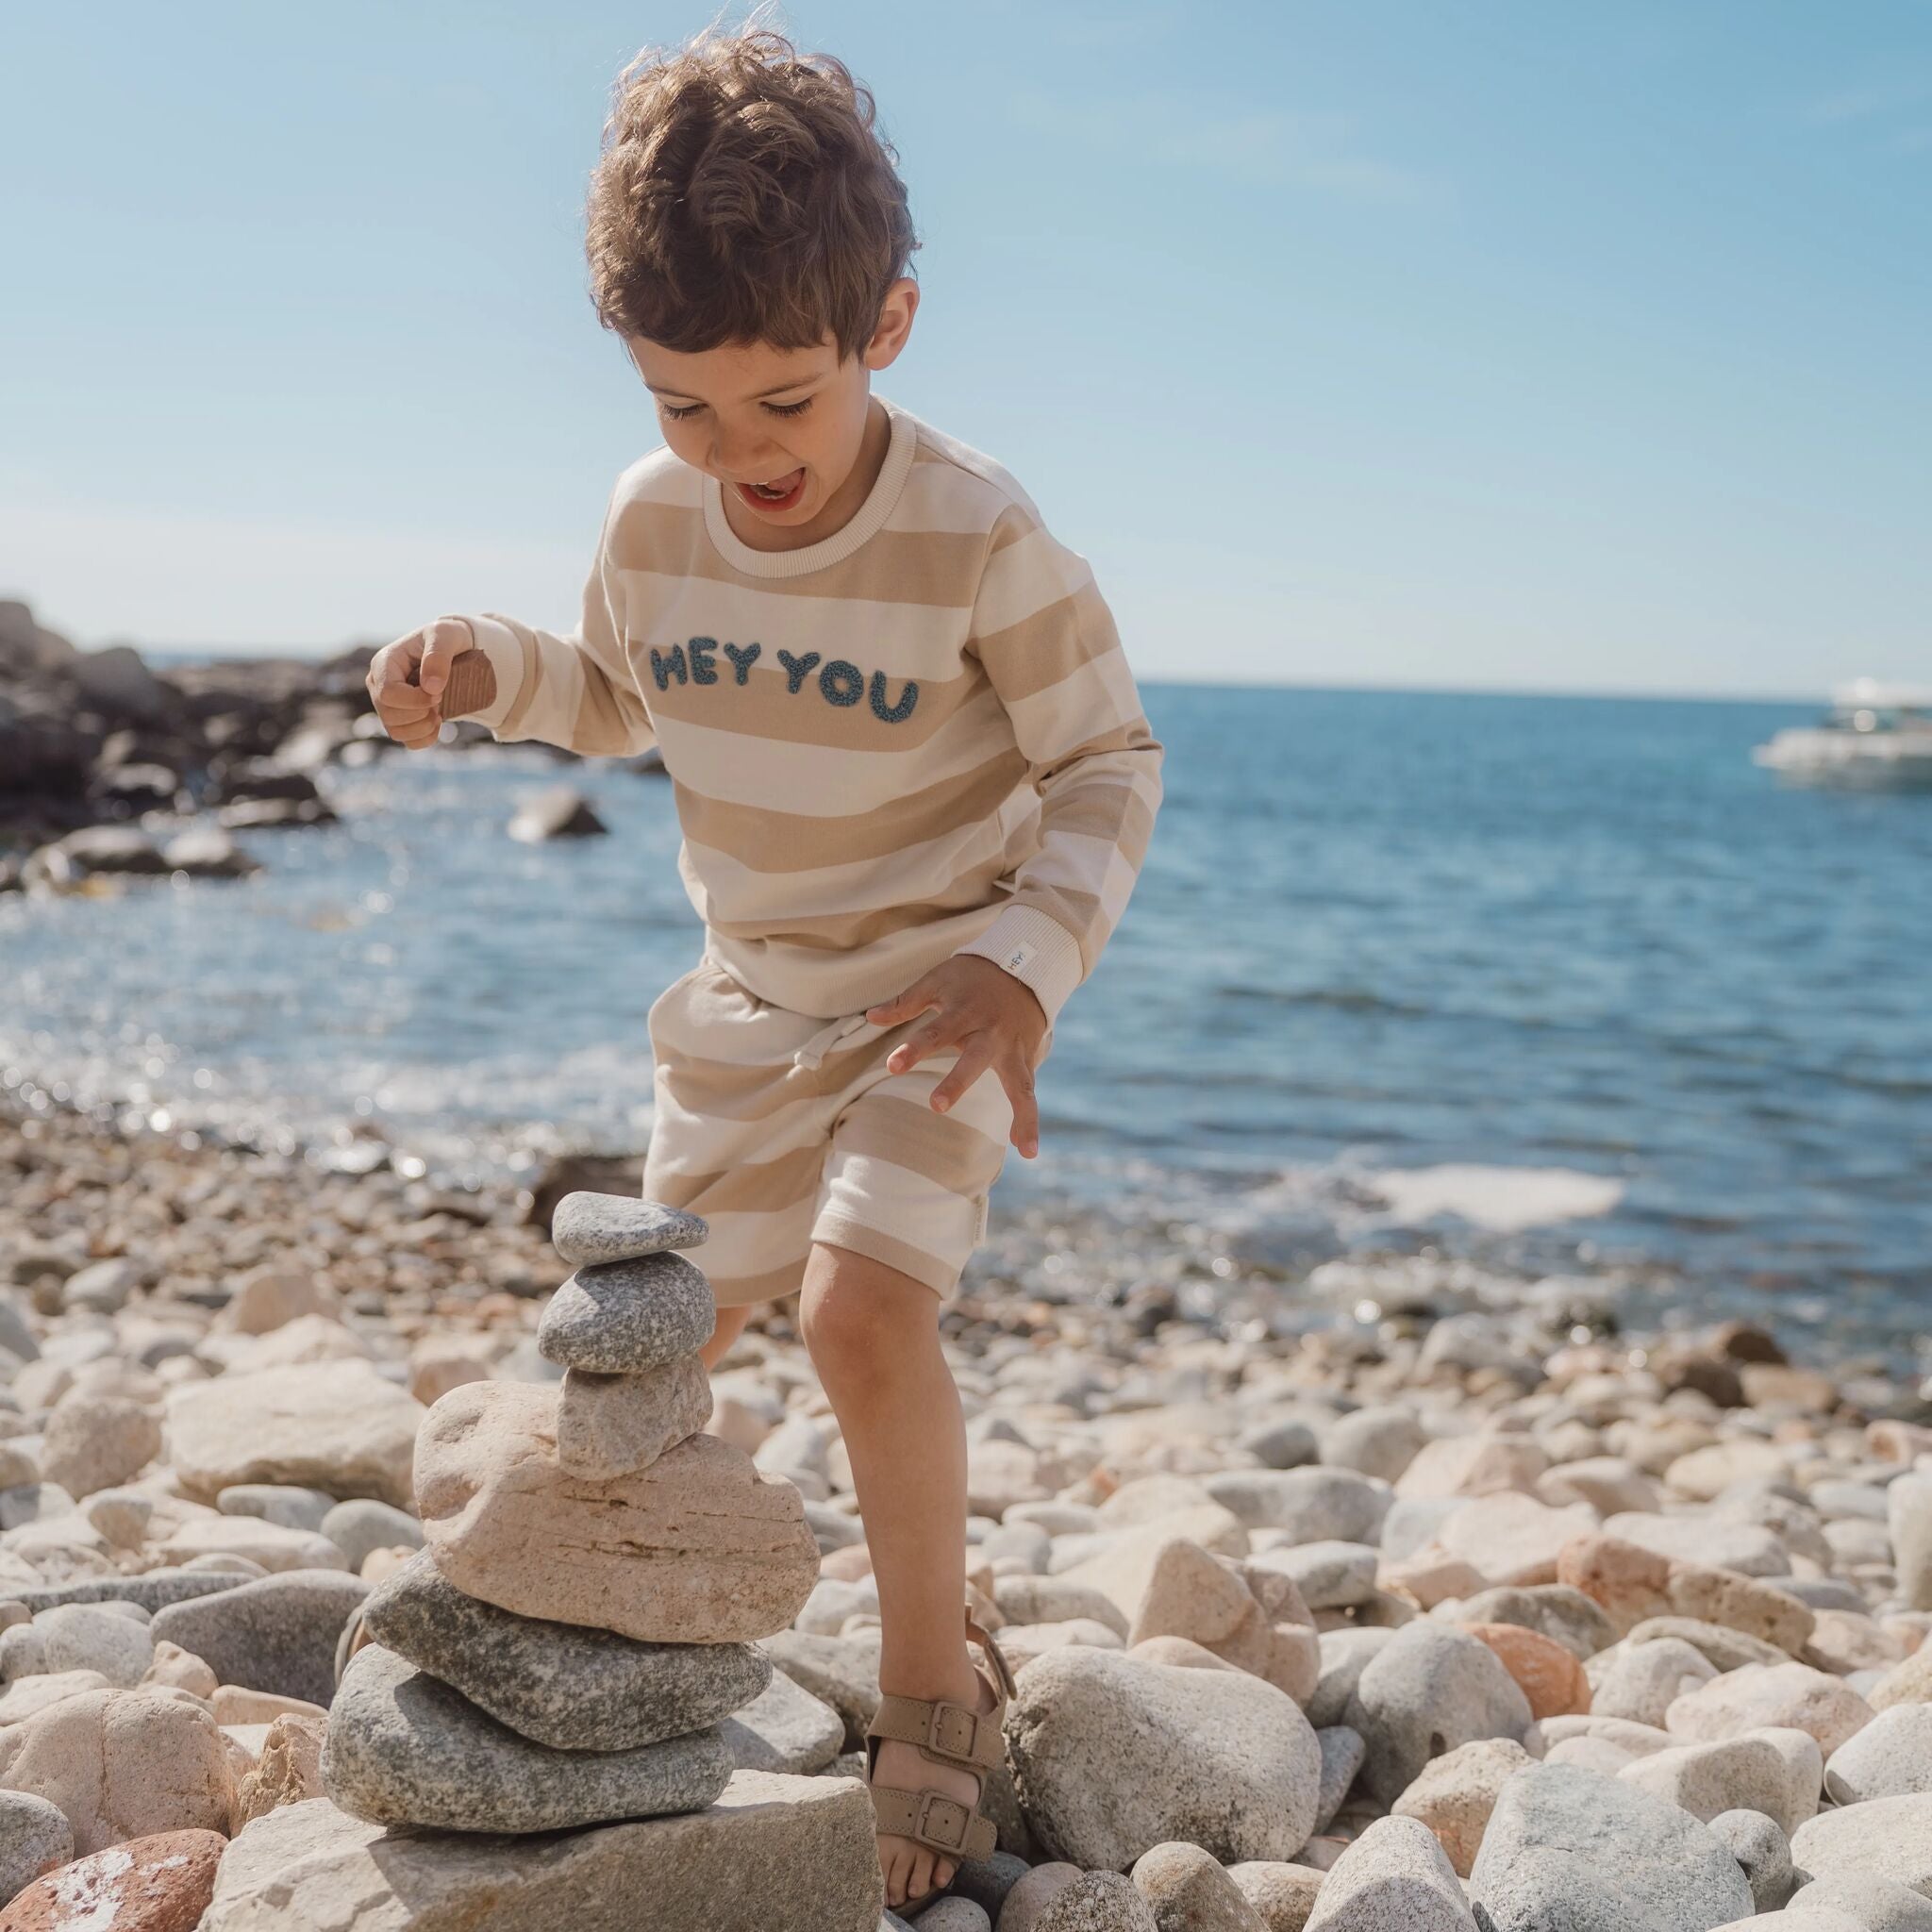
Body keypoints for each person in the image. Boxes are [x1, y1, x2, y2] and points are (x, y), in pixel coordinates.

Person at [366, 25, 1162, 1911]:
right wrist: (486, 666)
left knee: (859, 1315)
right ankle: (629, 1662)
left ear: (883, 327)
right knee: (665, 1361)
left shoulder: (977, 534)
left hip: (931, 1004)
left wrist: (1024, 970)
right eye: (687, 408)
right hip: (745, 1009)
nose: (741, 455)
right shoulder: (653, 518)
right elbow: (618, 694)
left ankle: (923, 1693)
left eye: (781, 405)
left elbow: (1108, 766)